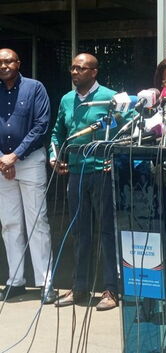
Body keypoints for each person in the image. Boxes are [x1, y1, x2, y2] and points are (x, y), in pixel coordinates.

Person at [50, 53, 125, 311]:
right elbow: (57, 132)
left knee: (106, 232)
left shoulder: (111, 97)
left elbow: (126, 132)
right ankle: (79, 287)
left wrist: (115, 159)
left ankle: (110, 290)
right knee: (80, 232)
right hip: (76, 172)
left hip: (102, 172)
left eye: (81, 69)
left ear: (94, 72)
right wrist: (54, 155)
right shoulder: (67, 99)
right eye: (73, 68)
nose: (75, 72)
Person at [0, 48, 56, 304]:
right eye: (0, 62)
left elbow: (41, 125)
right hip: (2, 163)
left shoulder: (35, 88)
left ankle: (46, 283)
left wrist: (16, 155)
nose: (4, 65)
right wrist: (4, 157)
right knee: (10, 223)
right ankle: (16, 281)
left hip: (30, 160)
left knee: (37, 222)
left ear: (18, 63)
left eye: (9, 60)